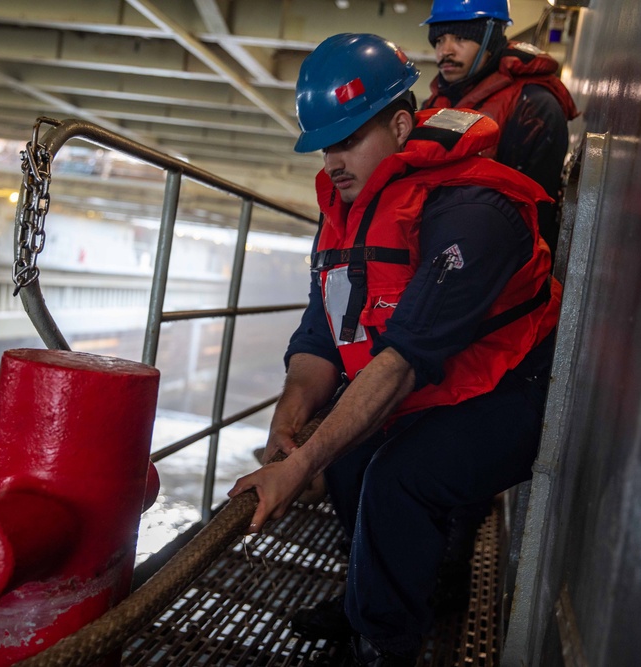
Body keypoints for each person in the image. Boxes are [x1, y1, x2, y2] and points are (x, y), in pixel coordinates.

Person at [227, 33, 561, 667]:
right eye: (327, 145)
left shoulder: (473, 211)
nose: (334, 161)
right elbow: (325, 329)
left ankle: (386, 643)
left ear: (403, 124)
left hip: (522, 388)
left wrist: (298, 469)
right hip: (448, 379)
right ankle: (371, 599)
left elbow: (402, 362)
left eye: (350, 139)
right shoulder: (353, 209)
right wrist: (290, 418)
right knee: (352, 460)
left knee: (398, 473)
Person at [420, 0, 579, 258]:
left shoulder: (534, 108)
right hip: (437, 252)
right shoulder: (437, 103)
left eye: (460, 38)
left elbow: (535, 218)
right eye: (438, 40)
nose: (445, 51)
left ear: (491, 40)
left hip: (494, 265)